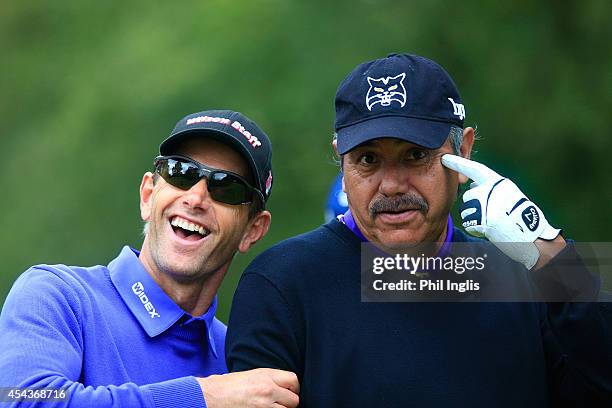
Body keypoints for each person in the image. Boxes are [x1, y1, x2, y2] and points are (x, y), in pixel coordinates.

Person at [225, 54, 611, 406]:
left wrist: (551, 253)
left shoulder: (524, 276)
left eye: (416, 155)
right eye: (368, 159)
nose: (391, 185)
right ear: (341, 164)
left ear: (463, 153)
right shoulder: (282, 283)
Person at [0, 110, 299, 407]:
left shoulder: (241, 363)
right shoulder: (57, 295)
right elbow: (23, 401)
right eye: (181, 173)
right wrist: (202, 397)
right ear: (147, 195)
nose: (195, 199)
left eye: (226, 187)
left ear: (252, 230)